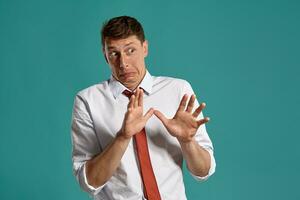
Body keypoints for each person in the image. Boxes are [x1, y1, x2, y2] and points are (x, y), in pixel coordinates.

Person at [71, 16, 216, 200]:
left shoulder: (178, 90)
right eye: (114, 53)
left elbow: (203, 171)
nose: (123, 63)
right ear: (105, 55)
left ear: (145, 48)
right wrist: (122, 137)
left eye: (130, 50)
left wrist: (187, 142)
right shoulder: (87, 101)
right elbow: (89, 182)